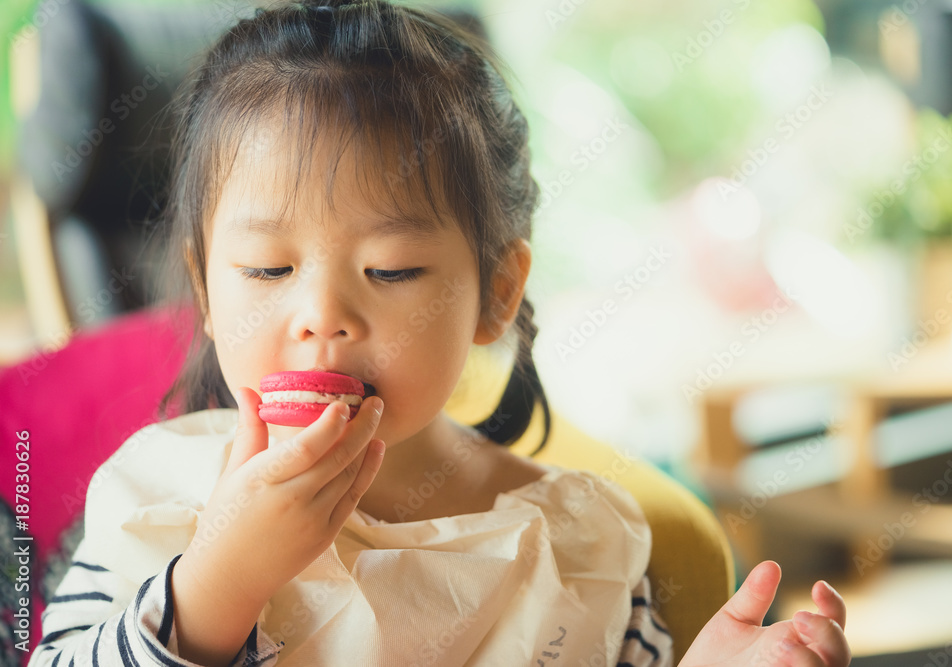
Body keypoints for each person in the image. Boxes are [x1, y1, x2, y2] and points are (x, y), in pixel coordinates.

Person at [27, 1, 850, 665]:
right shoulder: (160, 491)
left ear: (497, 291)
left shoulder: (577, 541)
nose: (321, 314)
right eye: (269, 269)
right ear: (206, 289)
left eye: (390, 271)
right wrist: (218, 582)